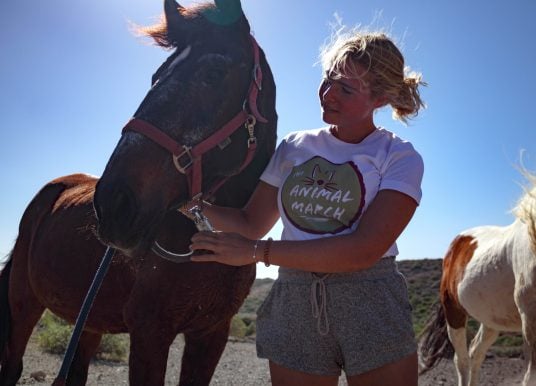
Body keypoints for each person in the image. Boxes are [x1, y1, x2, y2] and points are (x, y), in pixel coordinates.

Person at [187, 27, 425, 386]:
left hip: (370, 302)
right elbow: (251, 221)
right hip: (294, 301)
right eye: (328, 80)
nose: (328, 94)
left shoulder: (399, 156)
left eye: (345, 88)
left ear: (379, 99)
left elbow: (364, 250)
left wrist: (254, 252)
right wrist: (189, 205)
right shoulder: (294, 145)